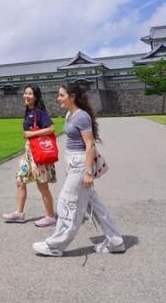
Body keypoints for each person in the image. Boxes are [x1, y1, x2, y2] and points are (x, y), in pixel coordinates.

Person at [32, 83, 125, 256]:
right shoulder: (69, 114)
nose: (58, 98)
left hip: (82, 164)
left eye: (61, 95)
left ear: (72, 97)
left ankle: (55, 245)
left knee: (67, 203)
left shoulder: (82, 117)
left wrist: (88, 172)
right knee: (95, 205)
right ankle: (115, 241)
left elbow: (89, 145)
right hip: (74, 163)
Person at [2, 85, 57, 227]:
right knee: (20, 180)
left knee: (42, 185)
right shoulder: (29, 111)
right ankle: (19, 213)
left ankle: (50, 216)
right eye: (25, 93)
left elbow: (51, 128)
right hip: (28, 153)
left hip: (38, 154)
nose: (26, 96)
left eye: (30, 94)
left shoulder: (39, 112)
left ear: (36, 97)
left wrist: (32, 134)